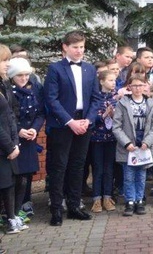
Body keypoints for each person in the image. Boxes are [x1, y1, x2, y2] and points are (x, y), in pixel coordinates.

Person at [44, 31, 103, 226]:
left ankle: (74, 206)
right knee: (59, 166)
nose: (79, 51)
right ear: (65, 47)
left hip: (84, 122)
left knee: (78, 165)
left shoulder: (89, 69)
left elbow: (96, 98)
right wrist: (70, 121)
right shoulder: (55, 69)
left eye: (82, 47)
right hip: (63, 124)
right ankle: (56, 210)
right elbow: (51, 99)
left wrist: (88, 119)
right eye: (75, 47)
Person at [112, 74, 153, 216]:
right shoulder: (122, 103)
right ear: (129, 87)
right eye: (134, 85)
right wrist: (126, 143)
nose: (138, 88)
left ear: (145, 86)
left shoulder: (152, 104)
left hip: (144, 146)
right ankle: (130, 201)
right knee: (128, 176)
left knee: (141, 175)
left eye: (141, 85)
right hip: (129, 147)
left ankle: (139, 200)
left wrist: (147, 142)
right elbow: (116, 126)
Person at [8, 58, 44, 220]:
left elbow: (40, 112)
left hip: (29, 137)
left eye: (26, 75)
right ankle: (12, 209)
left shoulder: (33, 89)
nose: (24, 78)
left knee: (28, 173)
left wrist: (34, 129)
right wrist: (19, 130)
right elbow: (7, 117)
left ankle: (26, 202)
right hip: (14, 138)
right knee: (15, 174)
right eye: (19, 75)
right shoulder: (8, 91)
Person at [0, 46, 26, 235]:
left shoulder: (4, 83)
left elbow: (10, 115)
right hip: (3, 147)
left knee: (15, 182)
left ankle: (11, 217)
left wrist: (15, 141)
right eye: (3, 60)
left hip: (9, 144)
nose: (7, 64)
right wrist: (9, 146)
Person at [89, 70, 118, 213]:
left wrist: (114, 116)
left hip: (111, 138)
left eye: (114, 80)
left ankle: (107, 197)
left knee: (109, 168)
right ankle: (96, 199)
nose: (113, 83)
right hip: (97, 139)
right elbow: (91, 118)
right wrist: (103, 115)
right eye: (110, 80)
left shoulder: (115, 98)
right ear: (101, 82)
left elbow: (120, 119)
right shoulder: (95, 98)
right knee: (98, 169)